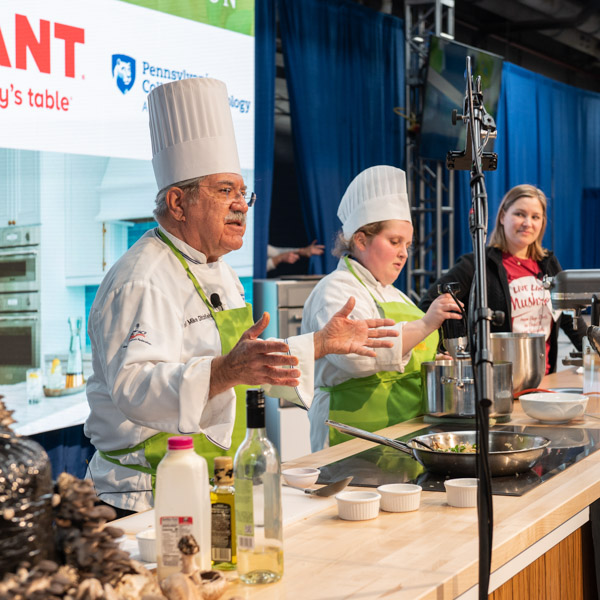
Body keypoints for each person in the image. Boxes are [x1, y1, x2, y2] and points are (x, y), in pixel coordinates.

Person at [84, 78, 398, 517]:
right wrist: (225, 370)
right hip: (144, 496)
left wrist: (320, 343)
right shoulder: (142, 278)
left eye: (242, 192)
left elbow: (248, 364)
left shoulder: (222, 272)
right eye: (224, 191)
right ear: (178, 203)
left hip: (212, 481)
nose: (242, 205)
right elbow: (134, 388)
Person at [301, 165, 462, 452]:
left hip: (401, 432)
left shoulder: (396, 295)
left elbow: (403, 355)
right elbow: (356, 358)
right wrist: (425, 325)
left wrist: (431, 359)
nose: (403, 253)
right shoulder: (335, 290)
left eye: (407, 245)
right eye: (394, 241)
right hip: (350, 433)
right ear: (361, 240)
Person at [418, 183, 585, 374]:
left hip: (543, 378)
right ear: (503, 216)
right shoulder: (477, 264)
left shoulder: (549, 264)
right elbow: (428, 306)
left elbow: (570, 318)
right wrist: (457, 348)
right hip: (496, 380)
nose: (527, 223)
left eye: (535, 217)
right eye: (520, 214)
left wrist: (594, 352)